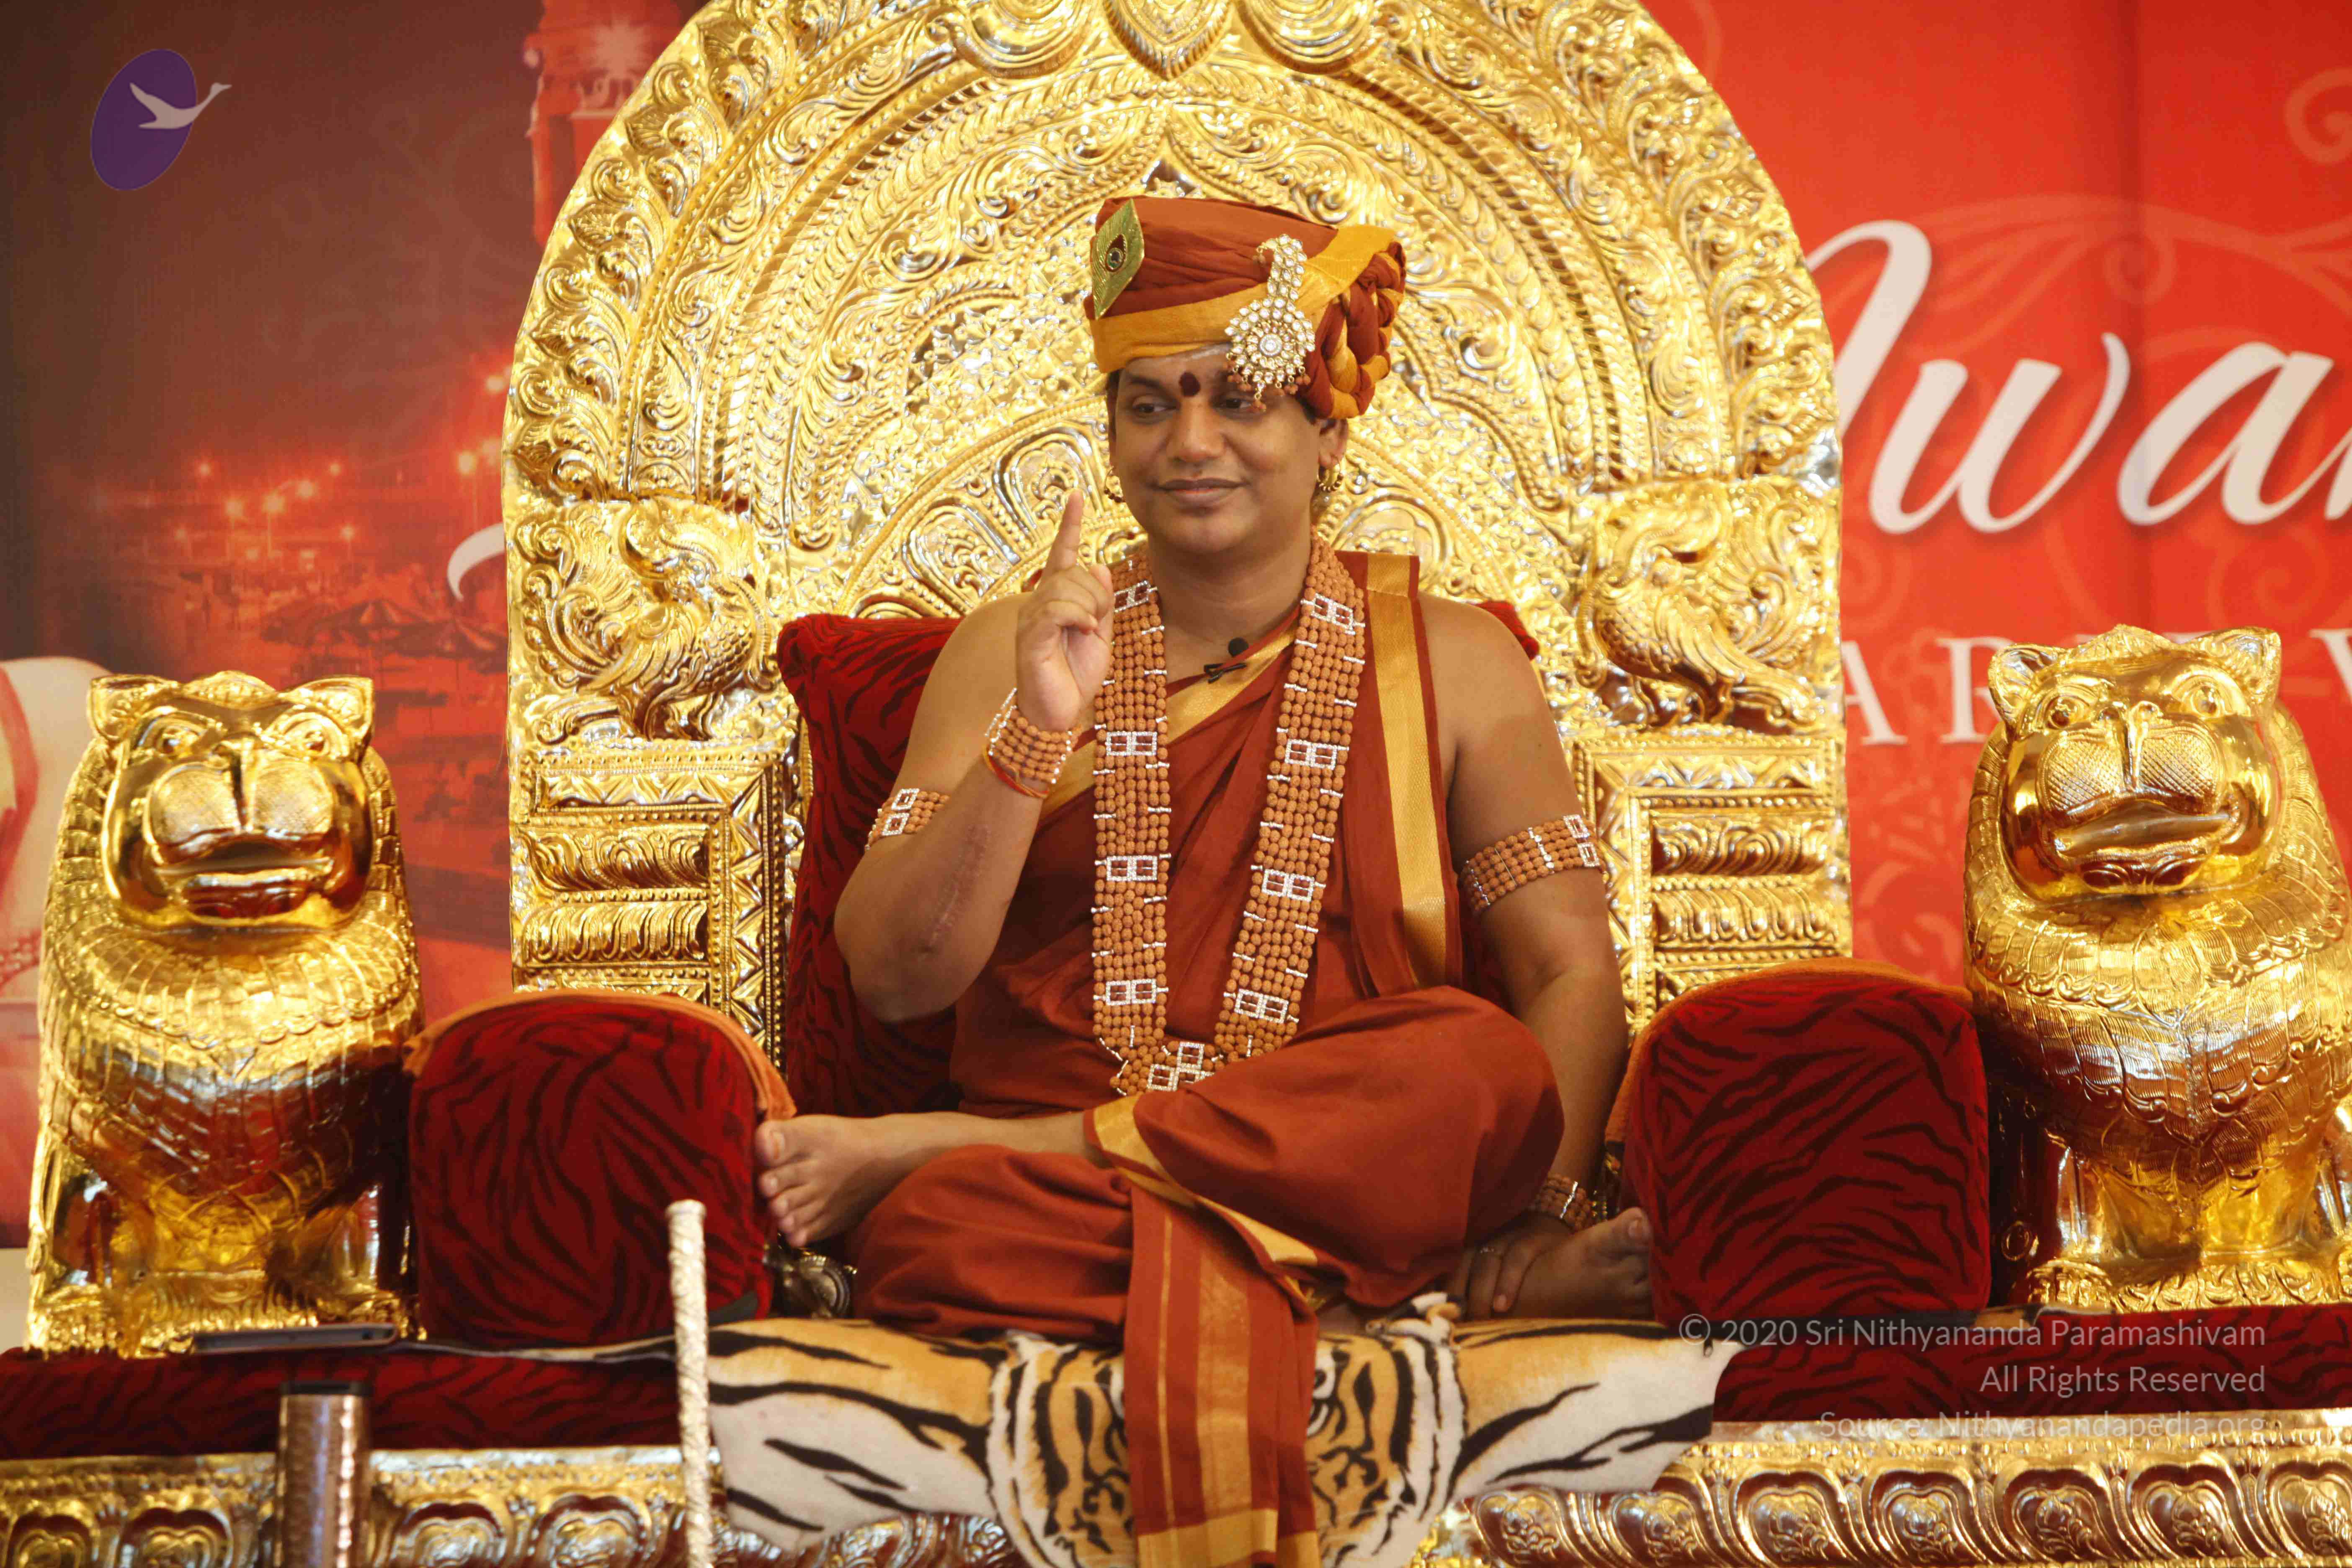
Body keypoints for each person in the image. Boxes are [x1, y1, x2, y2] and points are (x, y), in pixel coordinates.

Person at [752, 195, 1649, 1567]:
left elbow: (1567, 973)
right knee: (940, 1237)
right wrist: (1037, 726)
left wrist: (1539, 1218)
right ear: (1112, 436)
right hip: (1060, 1205)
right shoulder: (1007, 650)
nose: (1191, 443)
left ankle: (961, 1151)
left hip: (1356, 1152)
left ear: (1329, 430)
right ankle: (1382, 1295)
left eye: (1240, 400)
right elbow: (893, 978)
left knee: (1475, 1066)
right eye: (1150, 404)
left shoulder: (1456, 662)